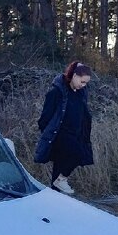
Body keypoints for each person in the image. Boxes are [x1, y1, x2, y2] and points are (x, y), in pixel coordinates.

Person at [34, 61, 93, 194]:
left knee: (59, 167)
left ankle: (55, 196)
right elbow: (44, 118)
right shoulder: (57, 92)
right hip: (59, 135)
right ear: (74, 76)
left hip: (76, 134)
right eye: (82, 82)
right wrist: (50, 134)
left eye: (86, 83)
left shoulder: (81, 94)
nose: (83, 85)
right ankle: (61, 180)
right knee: (79, 153)